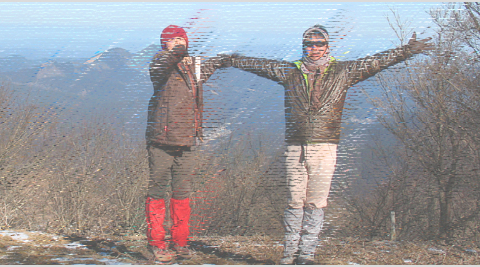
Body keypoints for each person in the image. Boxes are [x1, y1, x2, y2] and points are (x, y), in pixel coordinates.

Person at [227, 25, 433, 264]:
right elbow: (259, 65)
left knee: (316, 202)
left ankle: (306, 255)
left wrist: (406, 51)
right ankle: (289, 254)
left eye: (319, 43)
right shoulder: (290, 71)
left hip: (325, 146)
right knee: (294, 201)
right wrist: (232, 59)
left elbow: (376, 62)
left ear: (327, 46)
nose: (314, 48)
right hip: (295, 146)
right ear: (303, 46)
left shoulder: (343, 72)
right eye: (309, 44)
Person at [144, 25, 230, 263]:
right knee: (157, 192)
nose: (178, 42)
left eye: (181, 38)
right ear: (164, 44)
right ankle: (157, 243)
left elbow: (208, 69)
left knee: (182, 193)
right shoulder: (159, 63)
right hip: (161, 140)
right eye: (172, 40)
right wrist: (176, 52)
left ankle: (180, 241)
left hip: (187, 140)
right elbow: (163, 66)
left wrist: (226, 59)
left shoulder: (194, 66)